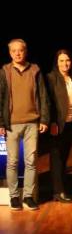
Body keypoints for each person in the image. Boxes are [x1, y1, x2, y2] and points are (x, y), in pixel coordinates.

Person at [1, 39, 50, 211]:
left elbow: (43, 95)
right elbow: (0, 98)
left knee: (31, 161)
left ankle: (28, 196)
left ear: (25, 51)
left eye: (20, 50)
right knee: (12, 162)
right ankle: (14, 197)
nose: (17, 53)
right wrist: (1, 123)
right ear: (10, 53)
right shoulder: (5, 71)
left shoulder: (35, 70)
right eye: (14, 51)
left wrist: (44, 119)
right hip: (11, 124)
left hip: (32, 123)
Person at [45, 50, 72, 203]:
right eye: (61, 60)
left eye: (67, 60)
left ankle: (61, 188)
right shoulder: (51, 78)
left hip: (70, 123)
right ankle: (58, 192)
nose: (65, 63)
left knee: (64, 157)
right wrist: (52, 122)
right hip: (57, 124)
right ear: (56, 62)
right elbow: (49, 102)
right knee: (57, 158)